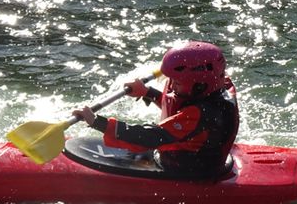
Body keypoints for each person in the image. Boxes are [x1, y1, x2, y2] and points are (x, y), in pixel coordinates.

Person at [72, 40, 239, 178]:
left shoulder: (202, 113)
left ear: (200, 84)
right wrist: (147, 92)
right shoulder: (219, 86)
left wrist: (97, 122)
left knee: (143, 138)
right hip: (203, 158)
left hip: (188, 171)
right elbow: (181, 112)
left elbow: (150, 137)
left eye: (178, 82)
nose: (172, 86)